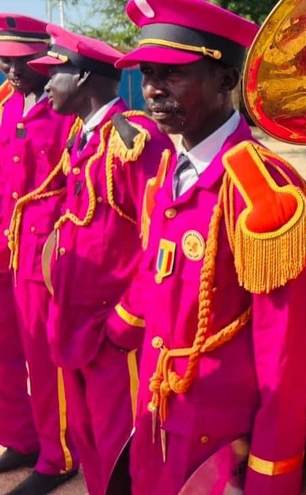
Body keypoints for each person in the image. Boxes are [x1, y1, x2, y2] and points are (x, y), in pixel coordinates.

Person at [111, 0, 306, 494]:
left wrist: (273, 471)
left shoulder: (261, 188)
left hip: (219, 440)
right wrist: (117, 329)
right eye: (149, 74)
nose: (154, 89)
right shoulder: (167, 172)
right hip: (160, 415)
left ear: (226, 78)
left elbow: (285, 351)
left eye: (174, 73)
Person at [11, 25, 174, 495]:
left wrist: (127, 321)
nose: (45, 86)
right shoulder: (85, 136)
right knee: (89, 441)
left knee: (122, 445)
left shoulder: (133, 140)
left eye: (54, 76)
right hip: (75, 320)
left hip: (111, 330)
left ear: (81, 79)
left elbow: (155, 240)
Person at [0, 15, 78, 495]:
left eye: (19, 59)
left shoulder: (66, 106)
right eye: (4, 59)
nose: (10, 67)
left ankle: (58, 453)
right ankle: (22, 437)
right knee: (4, 350)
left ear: (41, 58)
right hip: (1, 245)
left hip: (40, 249)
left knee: (44, 356)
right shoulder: (5, 103)